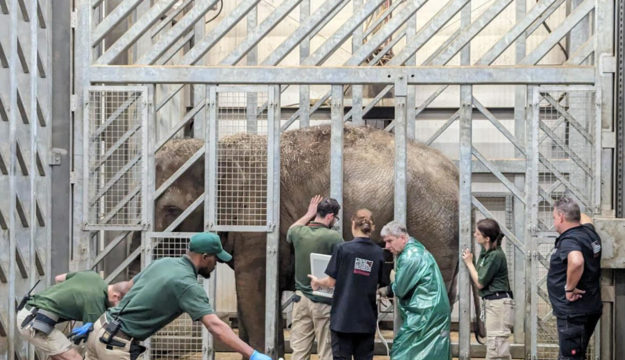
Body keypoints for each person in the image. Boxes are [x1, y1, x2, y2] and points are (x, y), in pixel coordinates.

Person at [84, 232, 271, 360]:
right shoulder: (187, 285)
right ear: (205, 257)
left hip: (99, 329)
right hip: (116, 345)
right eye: (216, 259)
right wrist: (252, 354)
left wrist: (103, 320)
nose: (216, 265)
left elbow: (124, 288)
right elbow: (216, 326)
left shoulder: (163, 262)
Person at [308, 209, 386, 360]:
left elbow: (331, 282)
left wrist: (317, 282)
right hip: (366, 319)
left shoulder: (343, 249)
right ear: (373, 227)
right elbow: (380, 285)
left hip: (342, 319)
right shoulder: (378, 253)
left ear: (353, 224)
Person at [16, 271, 131, 360]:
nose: (118, 309)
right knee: (75, 357)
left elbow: (58, 278)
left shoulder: (92, 276)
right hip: (34, 322)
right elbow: (95, 339)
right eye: (121, 305)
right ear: (116, 296)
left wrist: (67, 302)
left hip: (30, 311)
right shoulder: (96, 302)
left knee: (61, 355)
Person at [378, 221, 451, 360]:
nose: (387, 246)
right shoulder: (416, 248)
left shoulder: (409, 257)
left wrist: (391, 284)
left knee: (402, 352)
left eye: (390, 241)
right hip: (432, 309)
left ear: (403, 238)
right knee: (433, 353)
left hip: (425, 312)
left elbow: (400, 289)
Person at [287, 195, 343, 360]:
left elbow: (291, 230)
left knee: (299, 351)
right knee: (326, 351)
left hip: (301, 301)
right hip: (323, 300)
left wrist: (308, 214)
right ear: (331, 216)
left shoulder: (299, 233)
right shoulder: (333, 237)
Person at [547, 197, 602, 360]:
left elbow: (577, 261)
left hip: (573, 312)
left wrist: (569, 289)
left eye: (554, 217)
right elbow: (585, 218)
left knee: (570, 357)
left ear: (562, 217)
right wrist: (573, 211)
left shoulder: (570, 240)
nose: (554, 222)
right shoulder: (589, 233)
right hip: (589, 306)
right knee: (577, 354)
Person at [462, 218, 514, 360]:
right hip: (493, 303)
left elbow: (480, 282)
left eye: (478, 234)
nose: (474, 235)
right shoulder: (487, 253)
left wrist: (469, 263)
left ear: (487, 238)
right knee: (495, 345)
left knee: (496, 347)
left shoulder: (495, 256)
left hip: (498, 304)